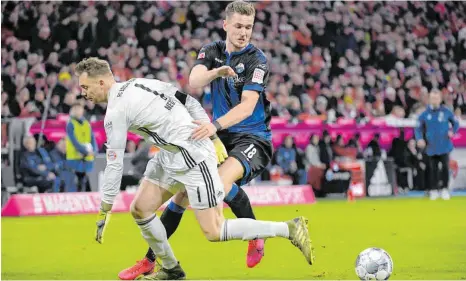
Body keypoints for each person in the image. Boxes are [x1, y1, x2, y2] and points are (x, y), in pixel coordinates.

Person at [75, 58, 314, 280]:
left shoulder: (115, 113)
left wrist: (104, 209)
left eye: (85, 87)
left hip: (192, 156)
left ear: (102, 82)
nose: (83, 93)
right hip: (170, 154)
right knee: (140, 208)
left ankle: (289, 228)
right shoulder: (139, 83)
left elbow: (114, 165)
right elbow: (188, 101)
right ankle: (170, 268)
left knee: (214, 231)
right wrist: (212, 133)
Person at [120, 1, 278, 278]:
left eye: (249, 27)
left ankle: (254, 234)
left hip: (252, 138)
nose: (244, 32)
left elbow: (247, 106)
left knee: (217, 182)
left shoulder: (257, 61)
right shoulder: (212, 51)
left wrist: (213, 125)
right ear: (226, 24)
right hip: (219, 136)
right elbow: (194, 81)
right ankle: (150, 260)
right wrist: (216, 72)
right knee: (183, 193)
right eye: (239, 26)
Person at [415, 90, 459, 200]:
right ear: (429, 99)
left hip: (444, 145)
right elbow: (418, 128)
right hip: (431, 146)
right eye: (432, 98)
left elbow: (456, 123)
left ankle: (444, 189)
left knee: (445, 168)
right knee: (432, 169)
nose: (434, 100)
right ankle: (433, 190)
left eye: (436, 98)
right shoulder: (425, 114)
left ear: (440, 99)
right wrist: (419, 139)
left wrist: (452, 131)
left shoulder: (446, 111)